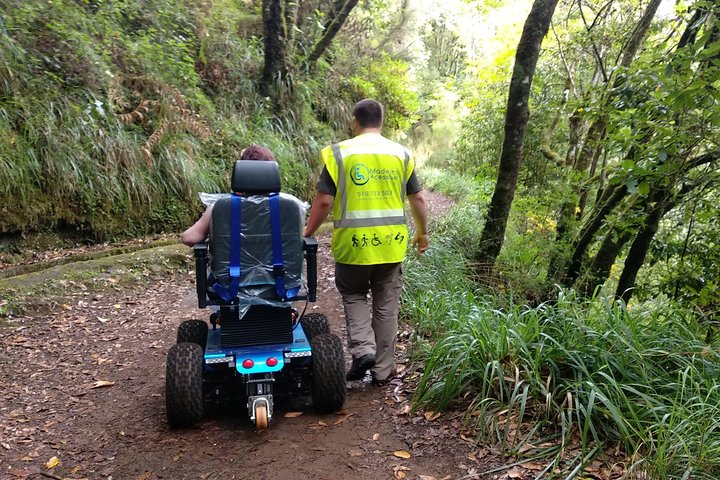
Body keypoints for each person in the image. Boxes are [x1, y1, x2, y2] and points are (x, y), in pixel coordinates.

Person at [303, 99, 429, 385]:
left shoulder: (339, 153)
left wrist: (308, 231)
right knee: (386, 305)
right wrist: (423, 233)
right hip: (391, 243)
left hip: (353, 245)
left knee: (354, 294)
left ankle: (363, 350)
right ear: (381, 121)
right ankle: (383, 370)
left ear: (355, 121)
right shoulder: (401, 154)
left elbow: (324, 200)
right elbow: (418, 198)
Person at [181, 145, 275, 246]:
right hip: (279, 262)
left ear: (241, 172)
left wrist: (212, 235)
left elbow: (189, 238)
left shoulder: (221, 206)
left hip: (233, 261)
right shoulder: (289, 206)